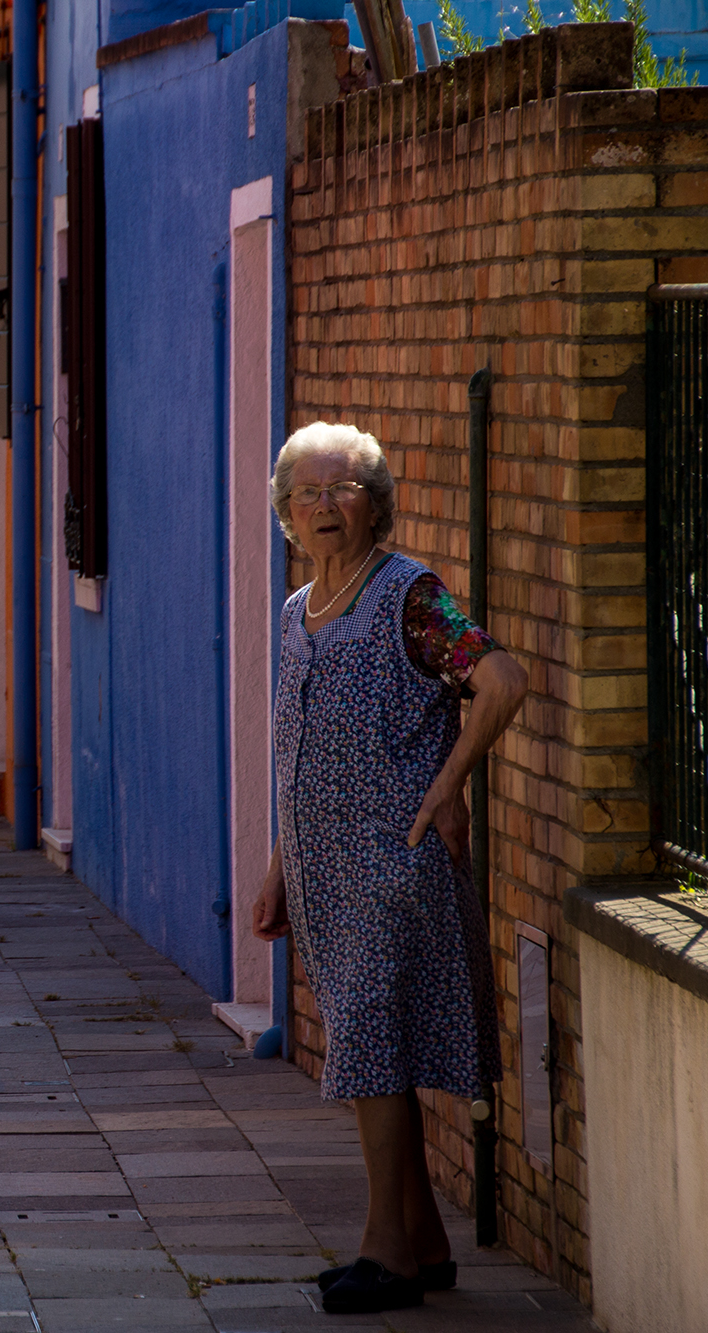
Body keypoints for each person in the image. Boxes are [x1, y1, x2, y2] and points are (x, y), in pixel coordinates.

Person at [250, 422, 527, 1316]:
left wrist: (449, 788)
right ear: (286, 512)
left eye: (344, 488)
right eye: (308, 491)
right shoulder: (298, 612)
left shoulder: (410, 597)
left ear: (377, 503)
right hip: (323, 870)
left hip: (393, 865)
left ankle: (388, 1255)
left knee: (371, 1048)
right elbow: (300, 753)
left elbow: (503, 681)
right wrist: (277, 865)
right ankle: (426, 1242)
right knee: (377, 1051)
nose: (325, 505)